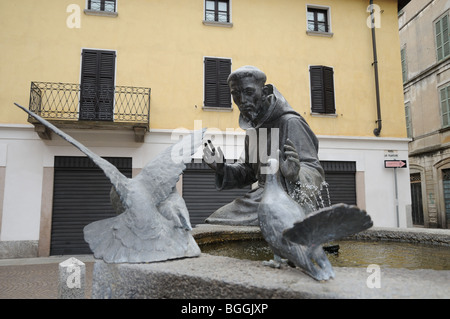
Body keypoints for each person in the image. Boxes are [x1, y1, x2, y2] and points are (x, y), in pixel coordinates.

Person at [203, 66, 324, 226]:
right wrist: (222, 168)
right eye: (236, 94)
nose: (242, 101)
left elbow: (314, 169)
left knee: (216, 225)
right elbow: (247, 171)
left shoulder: (290, 122)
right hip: (262, 197)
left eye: (248, 92)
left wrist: (295, 175)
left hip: (287, 200)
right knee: (214, 224)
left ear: (265, 91)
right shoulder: (253, 129)